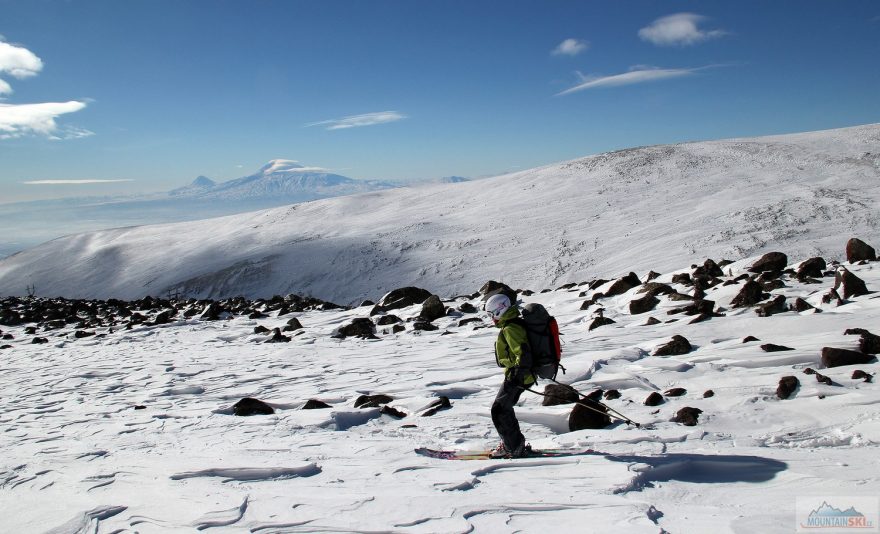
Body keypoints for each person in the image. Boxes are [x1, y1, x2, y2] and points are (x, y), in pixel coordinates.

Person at [484, 293, 535, 458]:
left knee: (499, 410)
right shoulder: (512, 325)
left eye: (492, 314)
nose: (491, 318)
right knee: (503, 408)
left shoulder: (511, 328)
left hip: (518, 376)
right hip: (519, 375)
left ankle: (512, 447)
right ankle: (514, 444)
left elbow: (523, 353)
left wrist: (516, 377)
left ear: (500, 310)